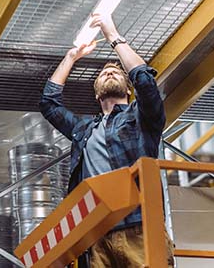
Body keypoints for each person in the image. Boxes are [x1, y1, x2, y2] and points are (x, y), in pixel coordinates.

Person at [39, 13, 173, 267]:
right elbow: (48, 103)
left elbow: (145, 81)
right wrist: (71, 57)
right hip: (96, 236)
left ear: (128, 87)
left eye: (116, 71)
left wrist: (112, 35)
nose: (110, 72)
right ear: (96, 92)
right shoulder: (84, 129)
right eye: (104, 73)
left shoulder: (141, 118)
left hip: (139, 226)